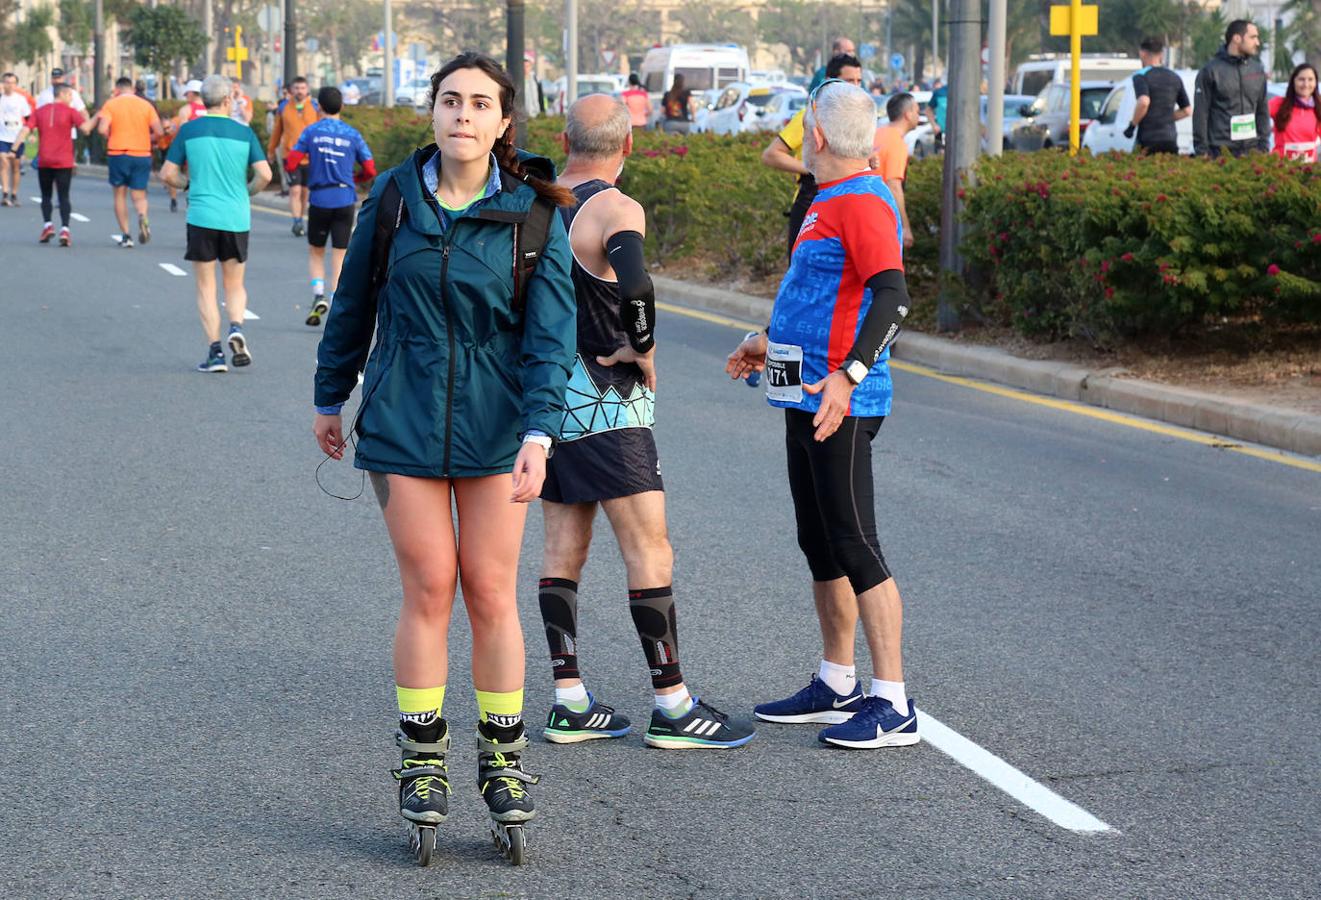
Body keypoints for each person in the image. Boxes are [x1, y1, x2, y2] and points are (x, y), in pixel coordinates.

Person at [311, 52, 577, 863]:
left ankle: (503, 759)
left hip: (499, 431)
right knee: (429, 586)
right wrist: (331, 396)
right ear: (431, 113)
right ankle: (422, 758)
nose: (463, 114)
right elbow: (354, 301)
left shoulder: (533, 214)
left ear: (502, 123)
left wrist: (539, 434)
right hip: (402, 417)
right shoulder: (391, 198)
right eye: (449, 100)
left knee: (491, 589)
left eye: (480, 104)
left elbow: (551, 338)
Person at [535, 94, 757, 750]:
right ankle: (673, 704)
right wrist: (643, 343)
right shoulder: (613, 206)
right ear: (627, 145)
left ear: (566, 138)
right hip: (608, 400)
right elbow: (635, 284)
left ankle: (568, 699)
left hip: (548, 398)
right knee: (649, 549)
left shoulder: (538, 202)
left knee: (560, 550)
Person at [725, 80, 920, 750]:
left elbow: (892, 300)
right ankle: (837, 683)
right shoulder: (827, 198)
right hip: (803, 396)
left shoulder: (862, 199)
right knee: (819, 542)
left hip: (843, 403)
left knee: (855, 543)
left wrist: (847, 376)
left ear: (815, 136)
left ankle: (891, 702)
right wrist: (763, 343)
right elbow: (813, 298)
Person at [160, 75, 272, 374]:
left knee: (206, 286)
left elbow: (167, 173)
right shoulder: (244, 132)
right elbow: (265, 175)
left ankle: (215, 353)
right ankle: (236, 326)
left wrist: (187, 185)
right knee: (234, 283)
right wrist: (244, 192)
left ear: (202, 100)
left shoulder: (189, 130)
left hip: (202, 215)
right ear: (227, 101)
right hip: (236, 216)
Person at [283, 86, 376, 326]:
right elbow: (370, 169)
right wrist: (355, 180)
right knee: (340, 253)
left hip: (320, 199)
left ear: (319, 107)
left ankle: (317, 295)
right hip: (345, 199)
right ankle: (336, 299)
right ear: (342, 107)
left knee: (316, 251)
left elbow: (291, 162)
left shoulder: (311, 132)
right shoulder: (353, 134)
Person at [761, 54, 864, 259]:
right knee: (803, 270)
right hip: (811, 201)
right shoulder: (812, 114)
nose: (855, 87)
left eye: (859, 81)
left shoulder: (860, 119)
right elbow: (771, 155)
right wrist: (811, 169)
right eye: (849, 81)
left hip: (848, 200)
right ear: (830, 82)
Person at [16, 84, 95, 246]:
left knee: (46, 195)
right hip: (64, 161)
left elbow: (25, 129)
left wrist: (14, 147)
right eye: (70, 95)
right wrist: (98, 116)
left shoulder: (40, 111)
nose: (71, 99)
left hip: (45, 159)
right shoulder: (71, 112)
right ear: (64, 94)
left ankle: (48, 225)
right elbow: (86, 129)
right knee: (64, 196)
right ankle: (65, 229)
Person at [96, 76, 164, 247]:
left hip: (118, 153)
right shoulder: (145, 105)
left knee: (119, 194)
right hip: (141, 153)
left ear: (117, 90)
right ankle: (142, 215)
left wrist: (110, 136)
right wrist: (149, 138)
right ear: (133, 89)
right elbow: (160, 131)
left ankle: (126, 235)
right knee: (139, 194)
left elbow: (102, 128)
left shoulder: (111, 104)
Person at [1194, 19, 1270, 158]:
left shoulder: (1257, 69)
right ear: (1236, 38)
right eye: (1253, 37)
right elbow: (1201, 114)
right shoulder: (1210, 71)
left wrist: (1264, 147)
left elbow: (1262, 110)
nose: (1257, 42)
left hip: (1252, 153)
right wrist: (1202, 151)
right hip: (1219, 153)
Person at [268, 76, 320, 235]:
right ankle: (296, 221)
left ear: (307, 89)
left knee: (305, 192)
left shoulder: (315, 107)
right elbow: (277, 131)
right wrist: (271, 150)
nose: (299, 91)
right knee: (295, 190)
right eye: (296, 88)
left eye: (303, 88)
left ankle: (301, 218)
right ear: (291, 90)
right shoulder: (283, 107)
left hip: (311, 157)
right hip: (290, 156)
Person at [1124, 37, 1191, 155]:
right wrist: (1166, 118)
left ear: (1142, 53)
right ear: (1161, 54)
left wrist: (1132, 125)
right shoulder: (1174, 76)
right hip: (1170, 138)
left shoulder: (1140, 76)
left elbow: (1144, 102)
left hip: (1148, 137)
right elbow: (1187, 110)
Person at [871, 92, 917, 251]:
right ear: (908, 114)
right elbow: (894, 185)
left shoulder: (878, 133)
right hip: (881, 219)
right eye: (917, 111)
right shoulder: (896, 143)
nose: (919, 116)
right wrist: (905, 226)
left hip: (865, 212)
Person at [1269, 63, 1320, 162]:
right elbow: (1256, 116)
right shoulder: (1278, 103)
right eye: (1301, 79)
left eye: (1310, 79)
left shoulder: (1318, 107)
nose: (1306, 84)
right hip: (1280, 169)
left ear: (1315, 83)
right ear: (1293, 82)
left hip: (1308, 170)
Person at [0, 72, 33, 207]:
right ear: (3, 84)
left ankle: (14, 194)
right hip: (2, 136)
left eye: (12, 83)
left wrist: (30, 133)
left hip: (17, 137)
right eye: (7, 82)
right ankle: (5, 194)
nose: (9, 85)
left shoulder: (20, 99)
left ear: (16, 85)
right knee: (3, 163)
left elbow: (28, 118)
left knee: (16, 166)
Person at [925, 78, 948, 150]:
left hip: (961, 134)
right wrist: (934, 125)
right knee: (941, 155)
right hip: (942, 132)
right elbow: (928, 110)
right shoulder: (939, 92)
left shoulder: (967, 91)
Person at [522, 53, 545, 119]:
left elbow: (540, 97)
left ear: (531, 67)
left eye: (527, 66)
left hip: (536, 114)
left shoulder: (536, 79)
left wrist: (542, 112)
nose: (525, 69)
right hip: (524, 115)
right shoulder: (518, 80)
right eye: (523, 66)